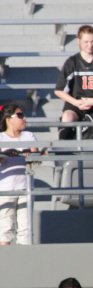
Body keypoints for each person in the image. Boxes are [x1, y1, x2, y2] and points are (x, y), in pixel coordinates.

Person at [54, 25, 93, 141]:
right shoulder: (72, 62)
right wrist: (76, 102)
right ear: (78, 41)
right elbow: (59, 91)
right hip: (76, 105)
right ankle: (63, 148)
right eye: (86, 42)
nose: (90, 45)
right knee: (67, 117)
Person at [0, 104, 38, 246]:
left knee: (25, 228)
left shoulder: (29, 135)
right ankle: (4, 263)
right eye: (20, 115)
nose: (24, 119)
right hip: (5, 188)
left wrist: (31, 153)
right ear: (8, 119)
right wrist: (6, 154)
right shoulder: (1, 137)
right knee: (5, 227)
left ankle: (24, 263)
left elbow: (36, 154)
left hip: (25, 187)